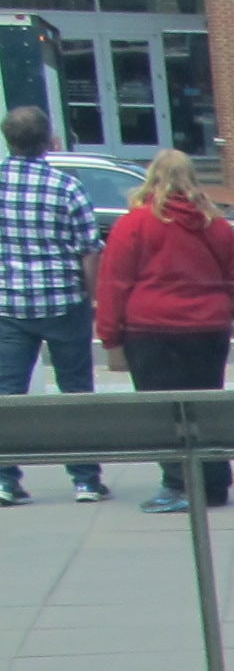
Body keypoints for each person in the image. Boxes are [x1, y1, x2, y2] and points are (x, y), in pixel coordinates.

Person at [93, 146, 234, 514]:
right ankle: (214, 482)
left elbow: (114, 283)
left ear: (152, 178)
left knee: (164, 411)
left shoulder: (134, 224)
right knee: (204, 404)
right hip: (207, 327)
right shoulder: (215, 223)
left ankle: (178, 483)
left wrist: (110, 338)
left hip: (151, 329)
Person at [0, 103, 108, 504]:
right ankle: (84, 479)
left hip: (9, 305)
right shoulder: (67, 186)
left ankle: (5, 479)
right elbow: (88, 250)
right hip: (64, 302)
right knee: (76, 391)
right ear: (48, 141)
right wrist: (93, 298)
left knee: (7, 394)